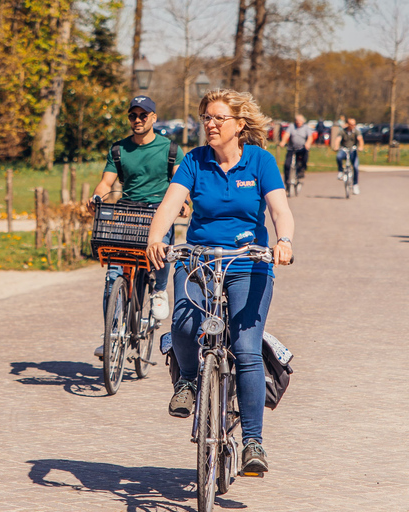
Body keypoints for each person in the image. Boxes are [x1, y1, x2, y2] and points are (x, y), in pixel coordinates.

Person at [146, 89, 294, 474]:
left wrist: (284, 241)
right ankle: (190, 383)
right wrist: (156, 237)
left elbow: (280, 210)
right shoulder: (194, 162)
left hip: (249, 263)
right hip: (199, 259)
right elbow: (168, 205)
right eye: (205, 119)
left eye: (217, 118)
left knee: (245, 349)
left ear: (239, 125)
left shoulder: (261, 162)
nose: (209, 125)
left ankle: (252, 442)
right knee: (183, 322)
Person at [86, 95, 186, 358]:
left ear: (154, 118)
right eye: (133, 115)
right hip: (128, 212)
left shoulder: (170, 149)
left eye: (144, 115)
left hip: (159, 211)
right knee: (112, 274)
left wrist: (183, 203)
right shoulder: (119, 149)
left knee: (160, 251)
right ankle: (110, 333)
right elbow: (106, 184)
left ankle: (160, 290)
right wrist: (97, 197)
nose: (138, 120)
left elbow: (180, 183)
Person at [279, 114, 314, 189]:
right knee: (287, 165)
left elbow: (310, 137)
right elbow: (286, 134)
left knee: (304, 158)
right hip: (291, 148)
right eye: (296, 121)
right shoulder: (291, 126)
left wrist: (307, 143)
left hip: (302, 148)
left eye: (300, 121)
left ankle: (301, 170)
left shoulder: (306, 127)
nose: (298, 122)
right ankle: (287, 183)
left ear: (303, 121)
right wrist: (283, 142)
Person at [335, 117, 364, 195]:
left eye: (354, 124)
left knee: (355, 167)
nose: (353, 126)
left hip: (353, 150)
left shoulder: (356, 131)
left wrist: (361, 147)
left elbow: (360, 139)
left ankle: (355, 185)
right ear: (347, 124)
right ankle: (340, 171)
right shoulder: (342, 131)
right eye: (351, 124)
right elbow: (338, 139)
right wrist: (336, 146)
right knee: (338, 157)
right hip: (344, 149)